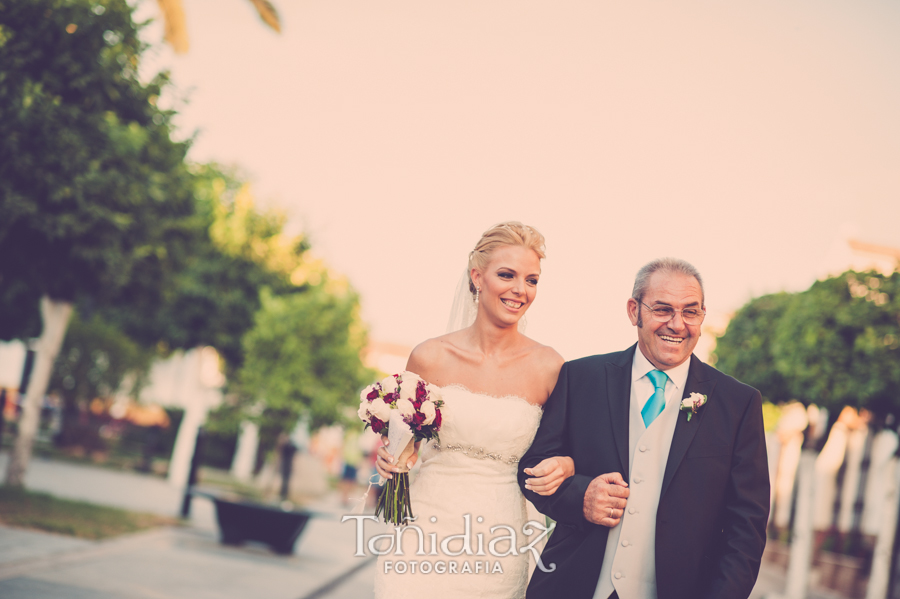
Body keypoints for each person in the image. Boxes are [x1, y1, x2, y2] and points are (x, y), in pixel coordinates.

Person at [518, 258, 770, 599]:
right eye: (663, 309)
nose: (677, 324)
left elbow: (746, 528)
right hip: (573, 586)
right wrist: (581, 496)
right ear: (634, 310)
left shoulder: (739, 404)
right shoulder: (581, 378)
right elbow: (532, 472)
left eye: (690, 312)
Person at [372, 221, 574, 599]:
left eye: (531, 280)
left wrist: (566, 464)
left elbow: (573, 450)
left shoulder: (550, 368)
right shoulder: (429, 357)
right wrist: (393, 458)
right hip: (419, 536)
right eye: (506, 275)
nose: (520, 290)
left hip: (500, 544)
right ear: (476, 277)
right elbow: (404, 447)